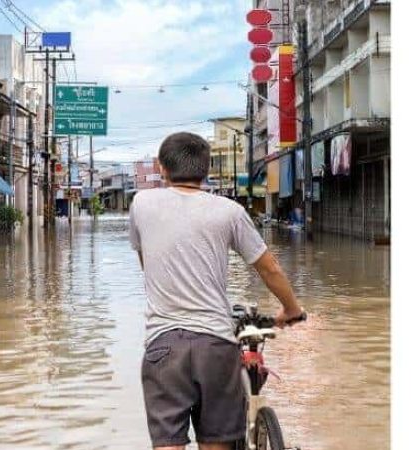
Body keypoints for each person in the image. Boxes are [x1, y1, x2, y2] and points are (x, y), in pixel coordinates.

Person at [128, 132, 305, 450]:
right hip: (216, 344)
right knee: (217, 444)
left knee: (167, 445)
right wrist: (290, 309)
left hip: (163, 344)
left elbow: (146, 261)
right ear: (206, 170)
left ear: (162, 168)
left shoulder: (141, 204)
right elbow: (269, 268)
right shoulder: (229, 211)